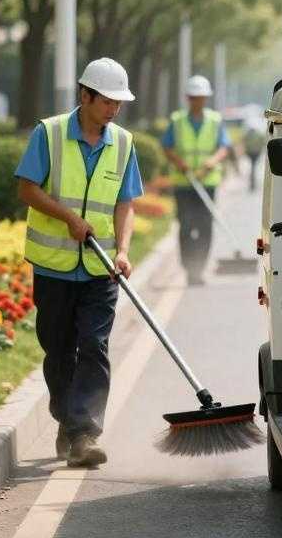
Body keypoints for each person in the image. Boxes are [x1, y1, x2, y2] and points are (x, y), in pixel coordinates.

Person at [15, 58, 143, 468]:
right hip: (53, 266)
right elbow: (27, 189)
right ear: (84, 95)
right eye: (107, 101)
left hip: (99, 268)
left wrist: (122, 250)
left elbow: (126, 202)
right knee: (58, 350)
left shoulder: (123, 143)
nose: (114, 110)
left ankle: (84, 433)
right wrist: (67, 217)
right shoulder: (48, 133)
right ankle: (68, 421)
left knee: (94, 345)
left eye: (118, 104)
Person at [161, 74, 231, 285]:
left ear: (206, 98)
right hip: (184, 184)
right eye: (193, 96)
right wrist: (179, 162)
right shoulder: (177, 120)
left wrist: (212, 161)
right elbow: (166, 146)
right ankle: (188, 266)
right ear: (188, 98)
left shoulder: (214, 120)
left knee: (205, 226)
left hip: (207, 182)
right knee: (185, 226)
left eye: (201, 97)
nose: (197, 100)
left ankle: (198, 267)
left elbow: (224, 147)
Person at [243, 118, 267, 193]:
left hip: (251, 153)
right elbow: (263, 143)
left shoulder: (248, 135)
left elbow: (244, 143)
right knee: (253, 168)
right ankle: (253, 183)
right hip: (256, 153)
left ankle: (252, 183)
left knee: (253, 168)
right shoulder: (258, 134)